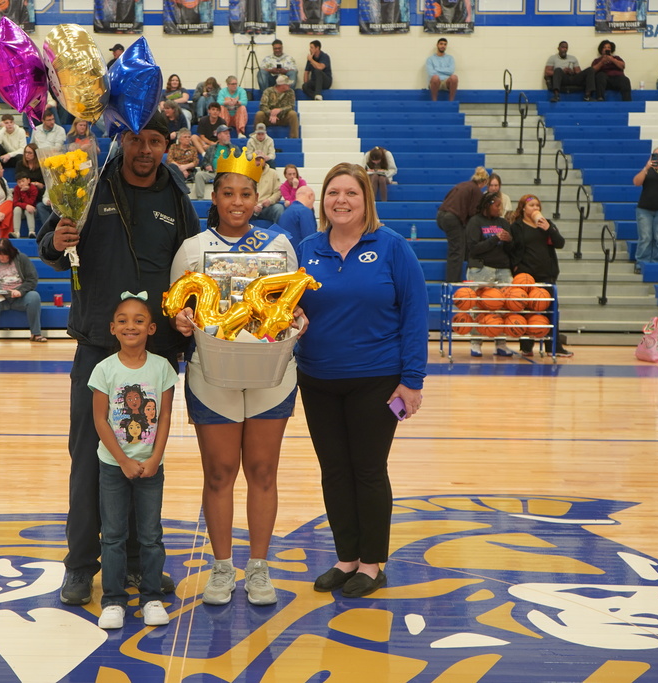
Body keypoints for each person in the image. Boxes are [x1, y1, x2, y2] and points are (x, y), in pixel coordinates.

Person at [38, 111, 198, 606]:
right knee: (90, 461)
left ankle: (135, 564)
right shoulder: (86, 183)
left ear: (166, 145)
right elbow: (48, 243)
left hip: (156, 356)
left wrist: (183, 332)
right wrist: (57, 243)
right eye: (136, 139)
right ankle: (81, 566)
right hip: (99, 352)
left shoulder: (175, 194)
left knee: (144, 461)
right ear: (121, 140)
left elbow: (194, 267)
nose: (145, 150)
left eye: (155, 141)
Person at [169, 153, 299, 606]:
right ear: (215, 196)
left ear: (257, 198)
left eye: (245, 194)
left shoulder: (279, 245)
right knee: (219, 472)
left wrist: (296, 317)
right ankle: (222, 569)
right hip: (213, 374)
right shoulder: (191, 248)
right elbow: (178, 308)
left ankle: (258, 568)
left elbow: (291, 306)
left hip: (270, 375)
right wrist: (183, 320)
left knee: (263, 471)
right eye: (228, 193)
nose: (236, 202)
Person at [295, 162, 428, 599]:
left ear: (366, 200)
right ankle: (346, 558)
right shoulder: (307, 249)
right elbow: (287, 308)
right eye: (333, 192)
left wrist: (411, 381)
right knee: (333, 472)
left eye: (351, 193)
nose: (341, 200)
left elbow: (415, 314)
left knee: (368, 471)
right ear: (323, 200)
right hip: (317, 378)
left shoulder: (391, 247)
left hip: (377, 379)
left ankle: (372, 564)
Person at [90, 294, 177, 630]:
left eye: (139, 320)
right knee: (112, 534)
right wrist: (123, 460)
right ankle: (113, 600)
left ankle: (152, 596)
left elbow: (166, 415)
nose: (131, 326)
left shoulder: (162, 368)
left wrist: (155, 457)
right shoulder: (104, 369)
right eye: (123, 320)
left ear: (151, 328)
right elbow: (100, 420)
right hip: (113, 465)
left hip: (151, 467)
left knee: (151, 535)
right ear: (113, 328)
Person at [507, 194, 573, 358]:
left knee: (551, 312)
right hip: (526, 276)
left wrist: (548, 229)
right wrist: (516, 268)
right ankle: (526, 347)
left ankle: (554, 347)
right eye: (532, 206)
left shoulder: (547, 224)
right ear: (523, 208)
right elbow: (512, 249)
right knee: (527, 311)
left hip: (546, 275)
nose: (536, 208)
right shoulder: (517, 227)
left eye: (537, 206)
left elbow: (560, 243)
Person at [465, 192, 515, 358]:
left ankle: (501, 343)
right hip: (482, 268)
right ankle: (476, 343)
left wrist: (509, 241)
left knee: (504, 307)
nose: (500, 209)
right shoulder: (475, 221)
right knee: (479, 307)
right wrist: (494, 239)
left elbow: (510, 250)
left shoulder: (503, 222)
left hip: (502, 269)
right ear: (488, 205)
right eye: (497, 205)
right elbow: (474, 248)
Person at [0, 238, 46, 344]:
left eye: (5, 255)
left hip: (19, 297)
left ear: (10, 252)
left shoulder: (22, 259)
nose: (2, 258)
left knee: (34, 296)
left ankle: (36, 333)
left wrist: (21, 291)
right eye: (0, 255)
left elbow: (32, 279)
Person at [436, 166, 490, 282]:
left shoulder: (462, 185)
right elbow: (473, 212)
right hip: (453, 217)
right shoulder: (476, 191)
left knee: (458, 246)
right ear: (484, 182)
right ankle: (452, 283)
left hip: (441, 215)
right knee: (456, 251)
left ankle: (455, 278)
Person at [194, 125, 238, 199]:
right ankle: (200, 198)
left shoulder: (234, 148)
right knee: (199, 175)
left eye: (228, 134)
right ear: (219, 135)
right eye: (225, 133)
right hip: (214, 172)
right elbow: (204, 162)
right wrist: (207, 165)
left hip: (228, 174)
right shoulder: (211, 149)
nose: (228, 135)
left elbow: (240, 162)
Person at [14, 143, 51, 231]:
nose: (27, 155)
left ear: (35, 154)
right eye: (26, 152)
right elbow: (18, 178)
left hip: (38, 191)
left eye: (30, 153)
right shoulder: (20, 164)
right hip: (23, 190)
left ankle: (48, 229)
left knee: (40, 201)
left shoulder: (41, 165)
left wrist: (39, 185)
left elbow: (45, 182)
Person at [278, 184, 317, 249]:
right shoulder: (305, 211)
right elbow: (310, 240)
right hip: (299, 256)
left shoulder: (285, 212)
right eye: (313, 201)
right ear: (310, 196)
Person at [426, 38, 458, 102]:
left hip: (446, 82)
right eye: (441, 44)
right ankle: (434, 101)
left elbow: (451, 71)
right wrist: (445, 71)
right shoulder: (430, 59)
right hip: (435, 82)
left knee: (454, 78)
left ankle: (451, 101)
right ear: (437, 45)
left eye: (445, 44)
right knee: (435, 78)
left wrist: (437, 69)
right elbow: (431, 73)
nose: (443, 46)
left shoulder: (450, 58)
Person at [11, 175, 39, 239]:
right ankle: (16, 232)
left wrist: (23, 193)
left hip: (32, 210)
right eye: (19, 182)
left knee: (28, 210)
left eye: (23, 181)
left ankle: (31, 232)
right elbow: (15, 203)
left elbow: (30, 203)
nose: (21, 184)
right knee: (17, 209)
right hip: (21, 211)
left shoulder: (33, 189)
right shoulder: (16, 188)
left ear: (28, 180)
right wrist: (25, 206)